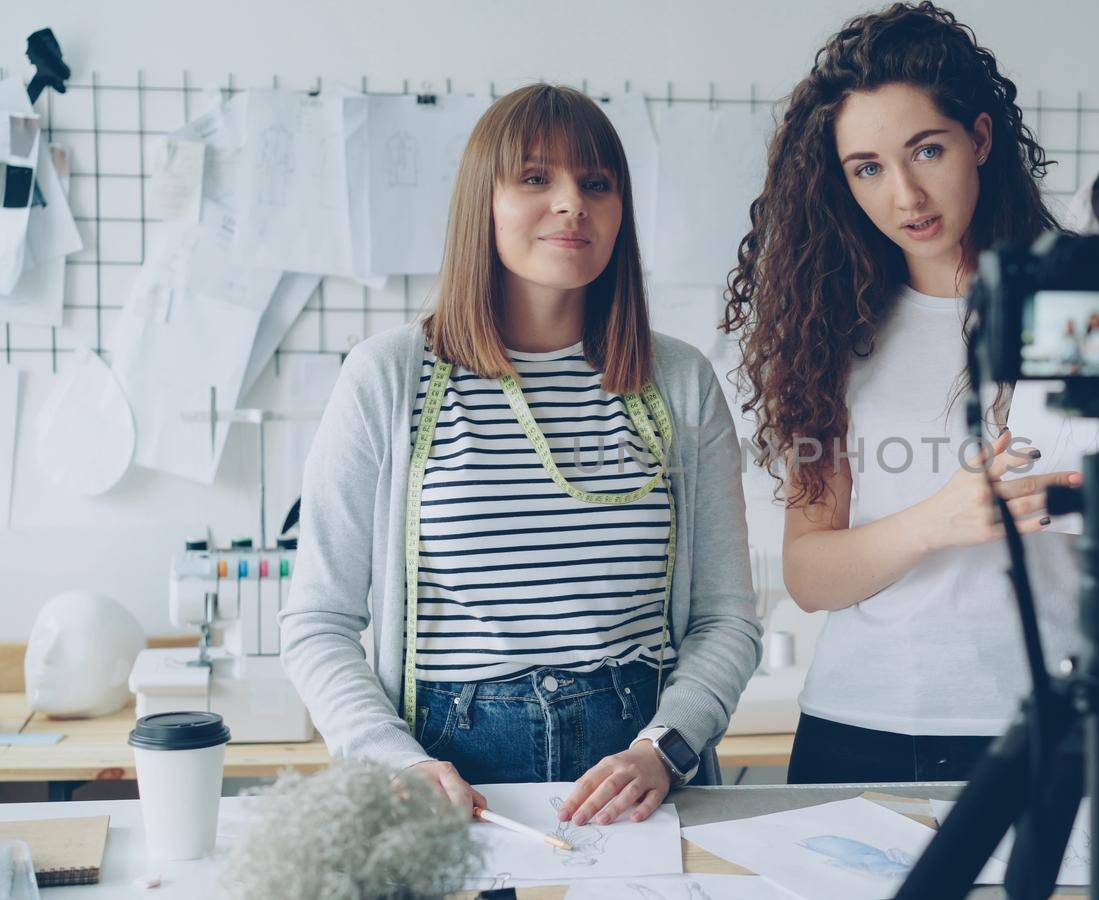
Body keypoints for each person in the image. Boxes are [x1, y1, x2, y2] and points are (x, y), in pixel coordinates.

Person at [722, 2, 1099, 784]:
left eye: (926, 150)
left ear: (981, 139)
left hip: (1055, 729)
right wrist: (939, 520)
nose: (904, 194)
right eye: (867, 167)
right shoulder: (829, 327)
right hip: (861, 728)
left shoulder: (1082, 305)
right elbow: (810, 572)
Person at [282, 84, 761, 826]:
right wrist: (392, 758)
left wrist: (665, 748)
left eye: (596, 183)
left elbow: (726, 618)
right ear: (485, 203)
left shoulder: (680, 383)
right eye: (536, 178)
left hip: (638, 780)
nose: (573, 203)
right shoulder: (389, 377)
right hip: (449, 782)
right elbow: (316, 620)